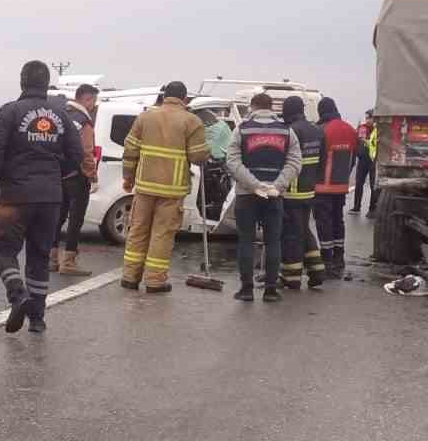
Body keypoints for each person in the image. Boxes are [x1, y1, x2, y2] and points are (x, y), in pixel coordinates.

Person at [0, 61, 82, 333]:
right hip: (51, 198)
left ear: (22, 81)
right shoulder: (62, 115)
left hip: (15, 195)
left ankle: (18, 295)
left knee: (4, 250)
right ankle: (37, 319)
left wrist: (5, 179)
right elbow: (76, 155)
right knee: (40, 255)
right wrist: (55, 176)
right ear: (46, 82)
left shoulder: (10, 112)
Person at [119, 81, 209, 294]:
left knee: (138, 230)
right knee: (162, 234)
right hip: (172, 188)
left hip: (145, 186)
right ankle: (155, 281)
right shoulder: (192, 121)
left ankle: (129, 277)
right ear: (184, 99)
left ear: (164, 96)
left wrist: (128, 177)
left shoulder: (145, 117)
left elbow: (130, 149)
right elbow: (198, 156)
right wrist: (207, 151)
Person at [224, 92, 301, 302]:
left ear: (252, 107)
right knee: (273, 241)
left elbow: (232, 162)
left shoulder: (242, 129)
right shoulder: (287, 132)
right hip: (275, 196)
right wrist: (276, 186)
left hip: (246, 195)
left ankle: (247, 290)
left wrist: (254, 185)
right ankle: (270, 290)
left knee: (246, 241)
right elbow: (295, 162)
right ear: (272, 108)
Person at [51, 84, 99, 277]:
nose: (94, 105)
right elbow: (87, 152)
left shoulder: (61, 115)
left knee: (58, 217)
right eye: (93, 101)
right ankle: (69, 261)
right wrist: (92, 175)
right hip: (78, 176)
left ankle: (51, 258)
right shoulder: (84, 121)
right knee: (75, 219)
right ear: (86, 99)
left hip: (59, 173)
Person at [279, 96, 327, 290]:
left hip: (292, 190)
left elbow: (285, 161)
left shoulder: (291, 131)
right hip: (309, 190)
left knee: (291, 234)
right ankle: (317, 271)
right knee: (303, 230)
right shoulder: (317, 130)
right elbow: (323, 161)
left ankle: (292, 277)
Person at [314, 97, 358, 278]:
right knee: (338, 220)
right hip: (341, 185)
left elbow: (316, 159)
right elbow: (355, 156)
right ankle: (339, 256)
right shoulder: (350, 129)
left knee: (324, 222)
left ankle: (327, 258)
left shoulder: (322, 130)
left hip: (322, 186)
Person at [351, 110, 375, 214]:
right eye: (366, 118)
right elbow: (357, 140)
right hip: (362, 159)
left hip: (373, 160)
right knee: (359, 183)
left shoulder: (378, 129)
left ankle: (372, 209)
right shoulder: (362, 128)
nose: (367, 120)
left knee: (373, 185)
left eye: (369, 118)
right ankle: (356, 206)